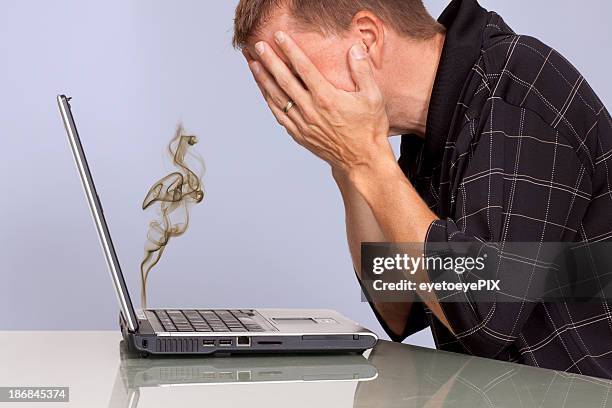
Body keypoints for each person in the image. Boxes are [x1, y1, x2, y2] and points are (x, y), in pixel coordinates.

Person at [232, 0, 612, 378]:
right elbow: (398, 305)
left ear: (365, 38)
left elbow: (485, 314)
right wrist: (345, 163)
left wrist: (366, 158)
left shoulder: (517, 90)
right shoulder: (428, 131)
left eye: (292, 70)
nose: (290, 98)